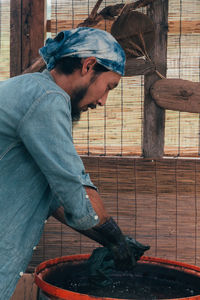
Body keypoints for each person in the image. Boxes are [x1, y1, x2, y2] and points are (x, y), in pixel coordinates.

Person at [0, 27, 149, 299]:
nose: (103, 101)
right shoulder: (47, 98)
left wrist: (109, 240)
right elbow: (75, 192)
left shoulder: (30, 90)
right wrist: (116, 239)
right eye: (109, 87)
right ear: (88, 65)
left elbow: (57, 197)